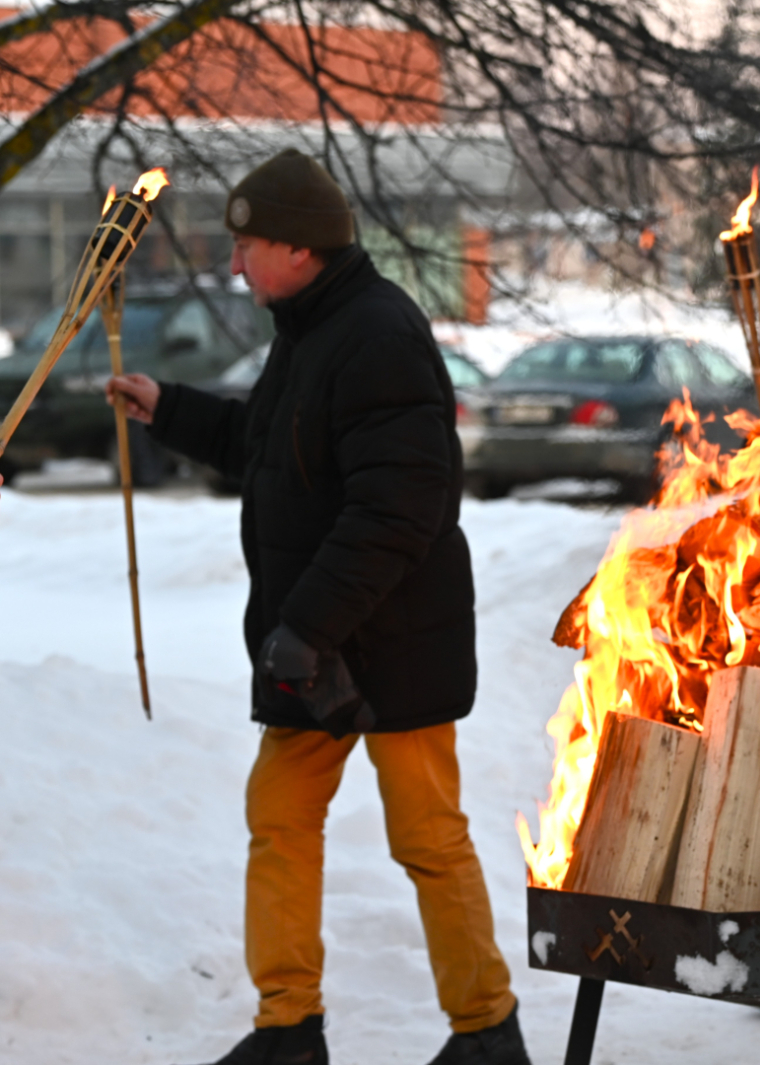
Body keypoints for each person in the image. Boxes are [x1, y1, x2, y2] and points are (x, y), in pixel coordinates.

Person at [106, 150, 528, 1065]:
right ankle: (289, 1029)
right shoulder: (309, 329)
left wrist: (310, 622)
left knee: (426, 837)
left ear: (299, 247)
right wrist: (167, 407)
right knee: (280, 817)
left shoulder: (376, 333)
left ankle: (488, 1031)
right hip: (320, 643)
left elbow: (403, 503)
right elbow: (269, 451)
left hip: (387, 642)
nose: (235, 264)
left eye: (248, 244)